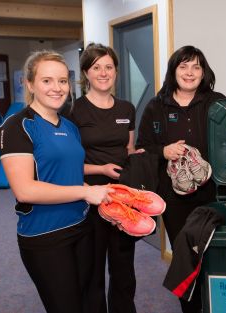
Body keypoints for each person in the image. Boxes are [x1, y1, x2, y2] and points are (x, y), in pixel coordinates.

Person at [0, 50, 111, 313]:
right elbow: (25, 190)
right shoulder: (17, 126)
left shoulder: (69, 126)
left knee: (91, 302)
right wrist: (85, 192)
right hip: (45, 235)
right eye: (47, 80)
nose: (57, 88)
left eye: (62, 81)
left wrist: (98, 189)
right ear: (30, 84)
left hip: (81, 226)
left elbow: (66, 169)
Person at [136, 45, 225, 313]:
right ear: (173, 71)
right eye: (183, 66)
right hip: (173, 199)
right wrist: (164, 150)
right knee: (184, 257)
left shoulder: (217, 102)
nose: (189, 72)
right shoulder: (156, 106)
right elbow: (143, 148)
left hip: (212, 195)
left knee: (212, 256)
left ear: (203, 71)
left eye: (196, 66)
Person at [67, 43, 139, 313]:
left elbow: (128, 150)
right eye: (96, 67)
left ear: (116, 72)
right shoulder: (74, 112)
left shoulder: (127, 109)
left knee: (124, 270)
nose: (104, 72)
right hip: (89, 199)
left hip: (122, 199)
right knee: (92, 270)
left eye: (109, 67)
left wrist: (138, 159)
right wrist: (101, 169)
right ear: (86, 72)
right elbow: (68, 166)